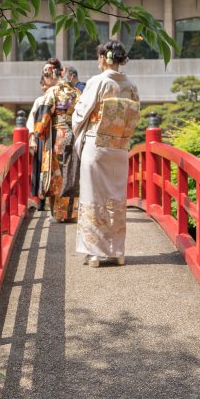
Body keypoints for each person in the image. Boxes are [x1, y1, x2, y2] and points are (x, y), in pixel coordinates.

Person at [72, 40, 140, 267]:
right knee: (116, 197)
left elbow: (81, 113)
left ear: (103, 57)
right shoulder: (130, 85)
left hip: (97, 144)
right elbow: (134, 118)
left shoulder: (97, 82)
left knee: (94, 197)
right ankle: (117, 251)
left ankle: (94, 253)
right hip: (119, 147)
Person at [35, 63, 82, 222]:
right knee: (73, 172)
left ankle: (58, 214)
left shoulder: (53, 92)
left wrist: (38, 132)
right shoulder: (76, 93)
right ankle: (72, 213)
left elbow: (44, 114)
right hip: (74, 135)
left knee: (57, 174)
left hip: (58, 135)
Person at [27, 75, 52, 205]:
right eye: (42, 84)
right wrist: (32, 138)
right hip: (41, 138)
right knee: (41, 169)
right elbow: (32, 119)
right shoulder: (39, 100)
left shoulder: (57, 97)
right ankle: (41, 201)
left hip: (54, 137)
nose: (44, 86)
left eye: (45, 84)